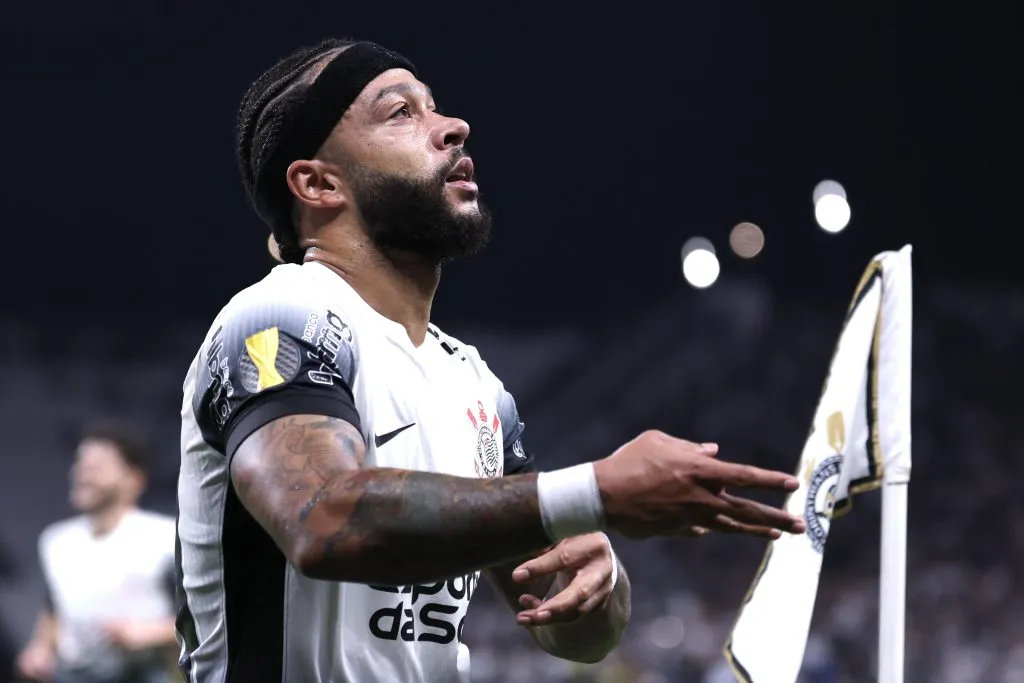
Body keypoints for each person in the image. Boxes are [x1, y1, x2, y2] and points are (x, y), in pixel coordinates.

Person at [174, 38, 807, 683]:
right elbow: (322, 519)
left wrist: (597, 580)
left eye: (436, 107)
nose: (454, 126)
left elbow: (578, 635)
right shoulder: (278, 316)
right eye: (401, 114)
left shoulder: (473, 383)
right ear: (317, 184)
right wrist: (594, 491)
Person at [16, 421, 179, 683]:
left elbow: (199, 617)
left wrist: (148, 633)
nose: (84, 472)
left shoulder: (164, 538)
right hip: (73, 675)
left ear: (134, 479)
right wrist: (40, 649)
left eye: (99, 464)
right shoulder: (57, 542)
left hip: (145, 673)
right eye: (81, 462)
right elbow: (53, 608)